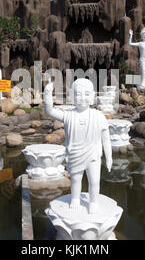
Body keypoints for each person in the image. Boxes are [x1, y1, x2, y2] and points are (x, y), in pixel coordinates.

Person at [44, 78, 113, 214]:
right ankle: (75, 198)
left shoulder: (98, 116)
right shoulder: (68, 115)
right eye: (78, 94)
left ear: (93, 96)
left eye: (87, 94)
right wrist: (47, 95)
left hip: (93, 155)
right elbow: (50, 111)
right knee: (76, 180)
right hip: (75, 154)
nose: (82, 98)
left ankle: (93, 201)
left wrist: (109, 157)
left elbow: (106, 139)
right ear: (72, 96)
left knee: (94, 181)